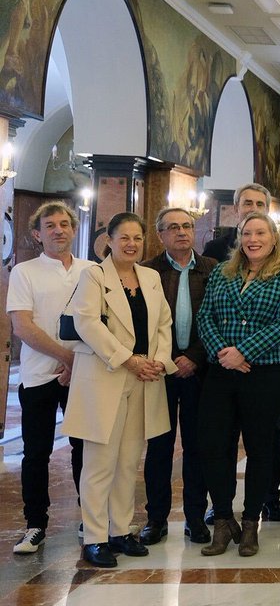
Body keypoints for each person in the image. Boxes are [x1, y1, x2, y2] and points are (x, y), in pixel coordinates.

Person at [63, 213, 175, 568]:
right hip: (106, 375)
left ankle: (120, 531)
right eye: (124, 237)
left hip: (144, 378)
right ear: (108, 241)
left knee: (128, 461)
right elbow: (87, 323)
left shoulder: (150, 277)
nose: (131, 244)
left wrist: (159, 361)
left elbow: (164, 323)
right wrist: (128, 359)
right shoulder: (94, 276)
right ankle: (95, 538)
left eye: (137, 238)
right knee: (100, 463)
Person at [196, 212, 280, 557]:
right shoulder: (221, 272)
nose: (252, 239)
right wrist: (223, 353)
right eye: (246, 233)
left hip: (265, 374)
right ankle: (223, 520)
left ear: (274, 238)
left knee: (260, 450)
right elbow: (205, 316)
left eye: (260, 233)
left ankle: (250, 523)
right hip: (220, 372)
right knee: (215, 447)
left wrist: (243, 352)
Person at [8, 202, 88, 555]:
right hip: (39, 375)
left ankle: (92, 519)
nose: (59, 230)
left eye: (65, 224)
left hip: (84, 375)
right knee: (36, 452)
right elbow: (22, 326)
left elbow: (99, 322)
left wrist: (77, 363)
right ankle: (35, 525)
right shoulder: (24, 272)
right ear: (37, 234)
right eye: (50, 225)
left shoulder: (91, 270)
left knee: (85, 448)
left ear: (73, 229)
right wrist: (67, 358)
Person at [139, 207, 218, 546]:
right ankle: (155, 519)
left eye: (187, 226)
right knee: (159, 446)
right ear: (161, 235)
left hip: (200, 370)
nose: (182, 232)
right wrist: (170, 360)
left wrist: (194, 358)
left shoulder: (213, 269)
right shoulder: (147, 271)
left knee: (198, 446)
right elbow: (143, 323)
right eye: (173, 227)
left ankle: (195, 518)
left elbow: (218, 318)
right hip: (161, 371)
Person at [201, 182, 280, 261]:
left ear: (267, 210)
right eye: (248, 204)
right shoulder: (215, 248)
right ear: (236, 208)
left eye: (259, 204)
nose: (254, 209)